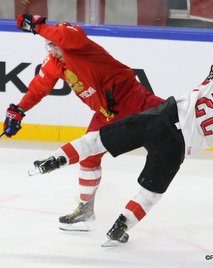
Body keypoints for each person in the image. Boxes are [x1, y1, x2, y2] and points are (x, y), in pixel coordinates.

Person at [30, 46, 213, 246]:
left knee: (98, 139)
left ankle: (55, 160)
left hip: (161, 117)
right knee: (150, 193)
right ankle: (118, 227)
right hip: (176, 147)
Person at [3, 14, 164, 231]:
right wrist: (20, 110)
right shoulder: (53, 62)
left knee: (174, 124)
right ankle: (86, 209)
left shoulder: (77, 40)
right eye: (48, 46)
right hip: (105, 112)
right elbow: (38, 88)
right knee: (88, 156)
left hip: (131, 98)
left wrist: (38, 26)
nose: (52, 50)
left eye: (54, 45)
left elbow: (63, 37)